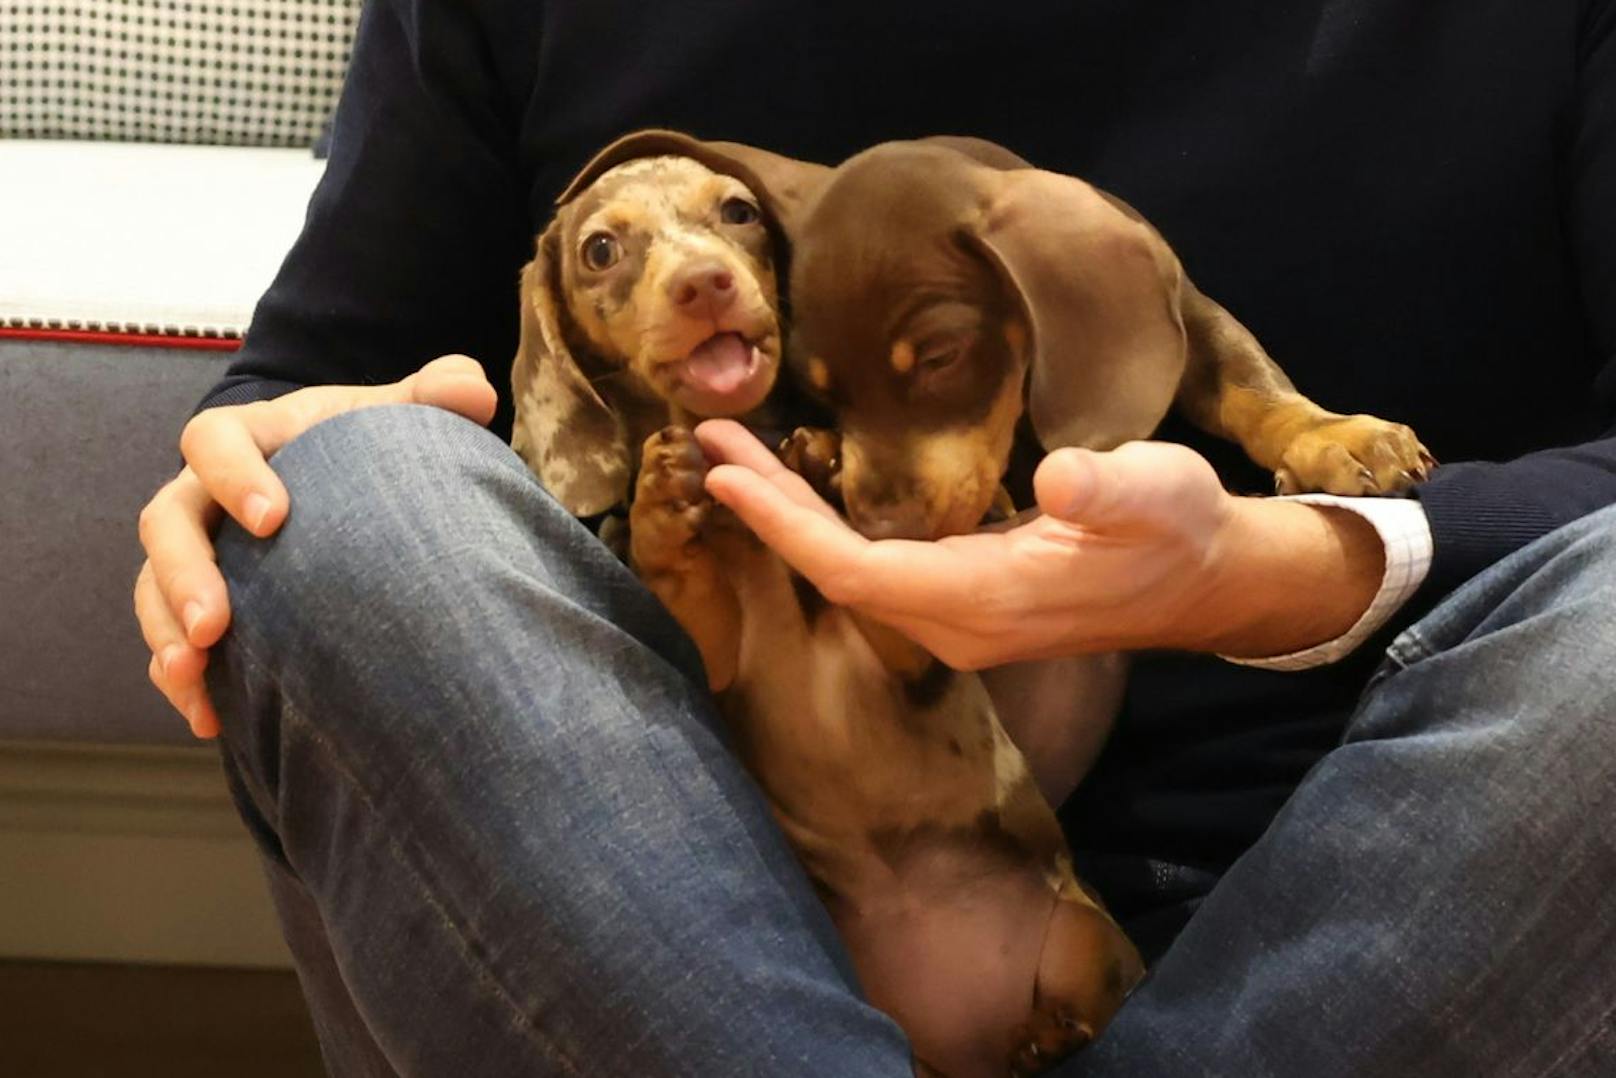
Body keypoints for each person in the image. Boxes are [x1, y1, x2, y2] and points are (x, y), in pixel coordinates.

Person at [133, 2, 1616, 1074]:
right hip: (683, 908)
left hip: (1384, 918)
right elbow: (307, 384)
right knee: (349, 488)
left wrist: (1295, 563)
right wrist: (283, 461)